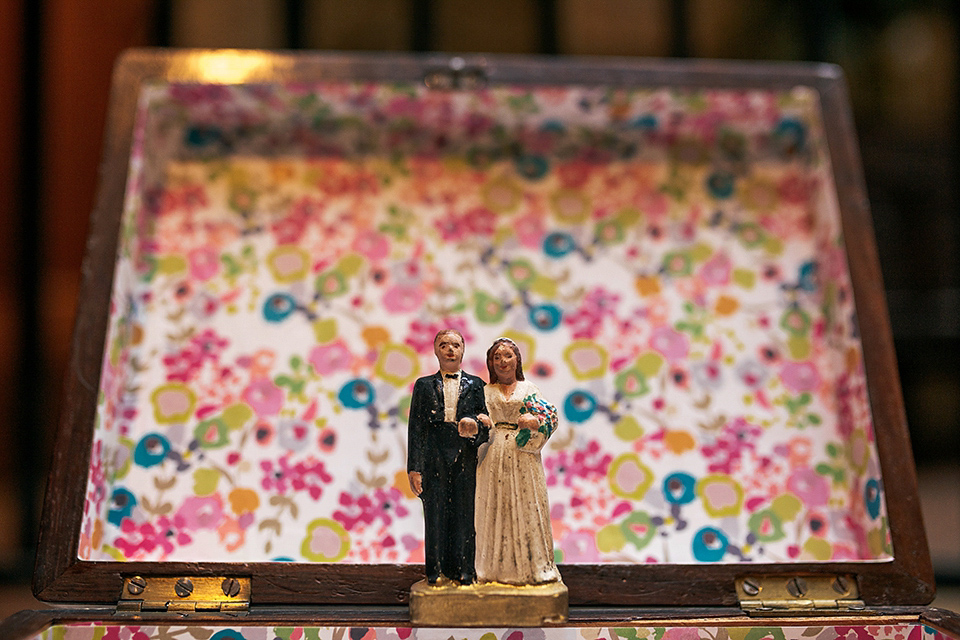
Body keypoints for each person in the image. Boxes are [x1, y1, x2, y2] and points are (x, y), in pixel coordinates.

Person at [474, 337, 561, 585]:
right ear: (491, 363)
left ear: (517, 360)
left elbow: (547, 418)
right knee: (493, 506)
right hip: (494, 452)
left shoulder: (530, 389)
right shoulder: (485, 392)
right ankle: (491, 569)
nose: (503, 361)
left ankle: (533, 567)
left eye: (508, 356)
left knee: (526, 503)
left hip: (523, 454)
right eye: (497, 357)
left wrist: (533, 423)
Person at [407, 329, 488, 585]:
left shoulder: (477, 385)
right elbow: (416, 428)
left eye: (455, 344)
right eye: (444, 345)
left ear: (463, 350)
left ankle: (464, 570)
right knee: (435, 512)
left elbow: (488, 424)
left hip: (465, 452)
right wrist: (414, 468)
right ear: (435, 350)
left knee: (465, 512)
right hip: (434, 453)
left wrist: (475, 427)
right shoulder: (423, 386)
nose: (450, 349)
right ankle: (435, 570)